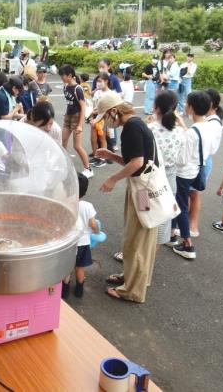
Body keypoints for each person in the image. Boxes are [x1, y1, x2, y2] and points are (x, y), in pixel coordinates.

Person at [95, 94, 159, 303]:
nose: (106, 122)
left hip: (142, 191)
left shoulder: (131, 128)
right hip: (145, 188)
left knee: (137, 238)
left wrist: (112, 179)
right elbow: (136, 159)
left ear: (115, 111)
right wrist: (112, 156)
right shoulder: (137, 123)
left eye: (106, 116)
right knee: (140, 235)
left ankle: (132, 290)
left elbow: (137, 162)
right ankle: (133, 277)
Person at [168, 91, 213, 260]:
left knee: (181, 207)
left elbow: (181, 160)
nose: (184, 106)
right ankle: (172, 235)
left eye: (186, 103)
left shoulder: (192, 133)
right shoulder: (208, 125)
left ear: (191, 108)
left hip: (184, 173)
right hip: (196, 169)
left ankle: (188, 244)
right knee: (178, 202)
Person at [148, 91, 184, 247]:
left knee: (143, 214)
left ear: (155, 107)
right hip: (169, 181)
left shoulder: (149, 129)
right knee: (163, 218)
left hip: (146, 181)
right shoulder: (180, 132)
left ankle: (137, 257)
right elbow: (183, 160)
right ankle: (151, 260)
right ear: (175, 109)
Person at [188, 88, 223, 237]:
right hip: (200, 160)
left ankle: (193, 226)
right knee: (191, 194)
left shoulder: (213, 123)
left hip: (200, 161)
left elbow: (209, 148)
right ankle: (189, 225)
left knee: (194, 194)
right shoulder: (209, 121)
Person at [61, 172, 100, 299]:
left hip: (68, 244)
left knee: (66, 269)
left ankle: (64, 292)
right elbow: (93, 224)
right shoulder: (88, 206)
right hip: (83, 243)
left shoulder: (64, 205)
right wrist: (97, 231)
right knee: (80, 268)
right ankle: (79, 290)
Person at [59, 64, 93, 178]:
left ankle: (88, 168)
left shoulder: (78, 89)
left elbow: (83, 107)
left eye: (63, 75)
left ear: (70, 75)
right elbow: (69, 103)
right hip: (68, 116)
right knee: (62, 142)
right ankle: (64, 165)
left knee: (77, 146)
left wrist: (80, 125)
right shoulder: (65, 87)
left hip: (77, 117)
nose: (61, 78)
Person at [89, 72, 112, 168]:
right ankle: (96, 156)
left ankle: (103, 159)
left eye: (100, 81)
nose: (98, 83)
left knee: (102, 139)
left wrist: (96, 117)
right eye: (97, 81)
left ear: (106, 81)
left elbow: (105, 109)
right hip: (95, 118)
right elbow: (94, 105)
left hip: (104, 119)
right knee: (93, 138)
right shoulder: (97, 92)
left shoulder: (109, 93)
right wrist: (91, 117)